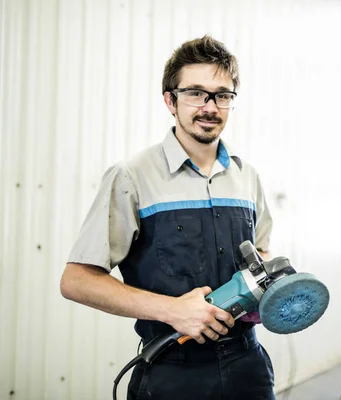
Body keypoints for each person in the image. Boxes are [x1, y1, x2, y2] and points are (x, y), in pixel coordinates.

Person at [60, 35, 275, 400]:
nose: (209, 106)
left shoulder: (247, 176)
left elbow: (262, 255)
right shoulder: (132, 176)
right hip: (172, 370)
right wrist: (173, 310)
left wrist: (268, 286)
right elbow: (77, 281)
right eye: (195, 93)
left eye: (222, 95)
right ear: (170, 101)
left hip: (248, 368)